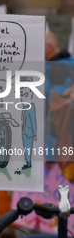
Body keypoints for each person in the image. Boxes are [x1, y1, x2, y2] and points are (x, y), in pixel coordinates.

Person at [45, 31, 74, 181]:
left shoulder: (57, 72)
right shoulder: (69, 65)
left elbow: (56, 113)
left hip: (58, 155)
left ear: (48, 48)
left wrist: (47, 153)